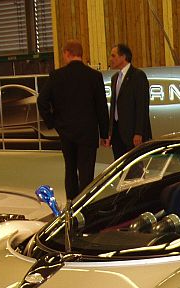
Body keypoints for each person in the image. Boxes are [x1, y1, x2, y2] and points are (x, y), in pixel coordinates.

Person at [38, 40, 109, 201]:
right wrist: (104, 133)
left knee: (70, 168)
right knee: (86, 170)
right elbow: (101, 107)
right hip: (88, 131)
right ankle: (84, 203)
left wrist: (53, 122)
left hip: (66, 131)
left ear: (68, 53)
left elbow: (41, 101)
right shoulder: (94, 76)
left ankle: (71, 202)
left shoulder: (57, 76)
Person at [108, 43, 151, 159]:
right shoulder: (114, 78)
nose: (110, 59)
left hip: (132, 133)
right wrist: (110, 132)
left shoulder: (138, 76)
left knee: (134, 169)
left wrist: (139, 132)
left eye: (113, 56)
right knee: (120, 167)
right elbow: (114, 107)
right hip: (117, 133)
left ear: (123, 57)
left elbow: (142, 106)